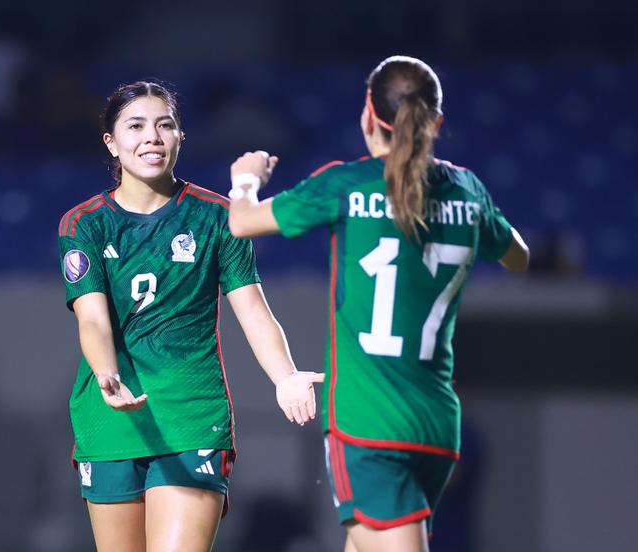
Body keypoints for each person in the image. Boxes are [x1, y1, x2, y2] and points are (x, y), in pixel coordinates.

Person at [227, 56, 529, 552]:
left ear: (369, 116)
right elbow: (518, 257)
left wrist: (246, 179)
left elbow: (242, 222)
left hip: (369, 426)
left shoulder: (349, 184)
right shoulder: (468, 190)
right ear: (436, 123)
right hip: (436, 427)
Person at [56, 81, 323, 552]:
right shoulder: (84, 224)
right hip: (111, 414)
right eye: (135, 126)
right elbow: (92, 320)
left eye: (165, 125)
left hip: (191, 415)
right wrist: (106, 374)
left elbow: (253, 308)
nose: (152, 137)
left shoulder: (218, 217)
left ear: (181, 136)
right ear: (111, 143)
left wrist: (285, 376)